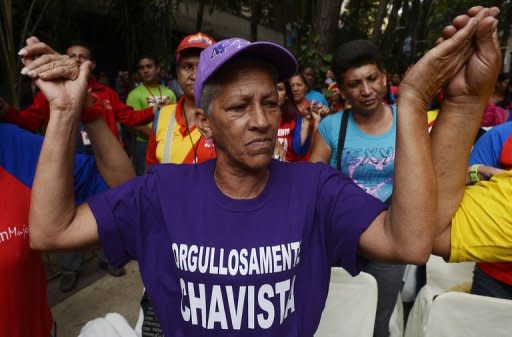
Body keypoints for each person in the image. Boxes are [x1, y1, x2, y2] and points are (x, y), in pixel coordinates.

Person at [27, 8, 497, 335]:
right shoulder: (162, 191)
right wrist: (67, 111)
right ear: (206, 122)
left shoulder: (314, 188)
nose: (261, 119)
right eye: (238, 106)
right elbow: (50, 231)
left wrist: (421, 99)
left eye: (270, 102)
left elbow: (411, 243)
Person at [0, 36, 136, 336]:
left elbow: (123, 193)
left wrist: (77, 107)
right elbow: (30, 117)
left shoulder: (11, 147)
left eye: (81, 56)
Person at [309, 39, 403, 337]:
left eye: (372, 79)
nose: (366, 90)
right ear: (342, 89)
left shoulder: (407, 121)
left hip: (391, 237)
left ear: (385, 77)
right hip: (342, 239)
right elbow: (313, 182)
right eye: (354, 83)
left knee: (378, 320)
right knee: (339, 315)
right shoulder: (332, 127)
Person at [146, 32, 216, 166]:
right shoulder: (162, 115)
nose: (195, 76)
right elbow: (151, 169)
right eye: (188, 67)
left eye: (203, 67)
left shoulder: (227, 117)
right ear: (177, 73)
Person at [127, 55, 177, 175]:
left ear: (158, 69)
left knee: (168, 176)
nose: (145, 70)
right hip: (144, 144)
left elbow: (176, 117)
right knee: (146, 179)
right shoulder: (134, 95)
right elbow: (135, 123)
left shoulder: (169, 92)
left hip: (169, 143)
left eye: (149, 66)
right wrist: (157, 138)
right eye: (142, 68)